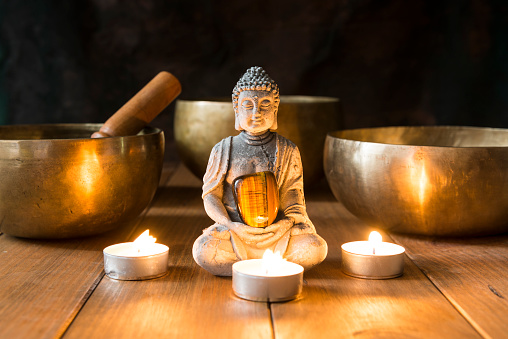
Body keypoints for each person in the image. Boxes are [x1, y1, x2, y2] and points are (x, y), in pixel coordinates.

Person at [192, 66, 327, 276]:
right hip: (235, 230)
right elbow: (211, 195)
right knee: (204, 250)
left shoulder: (288, 149)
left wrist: (289, 222)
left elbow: (293, 194)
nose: (256, 113)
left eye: (265, 104)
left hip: (278, 230)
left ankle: (245, 269)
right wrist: (229, 223)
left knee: (314, 247)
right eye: (248, 105)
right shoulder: (223, 149)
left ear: (275, 109)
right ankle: (269, 266)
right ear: (236, 109)